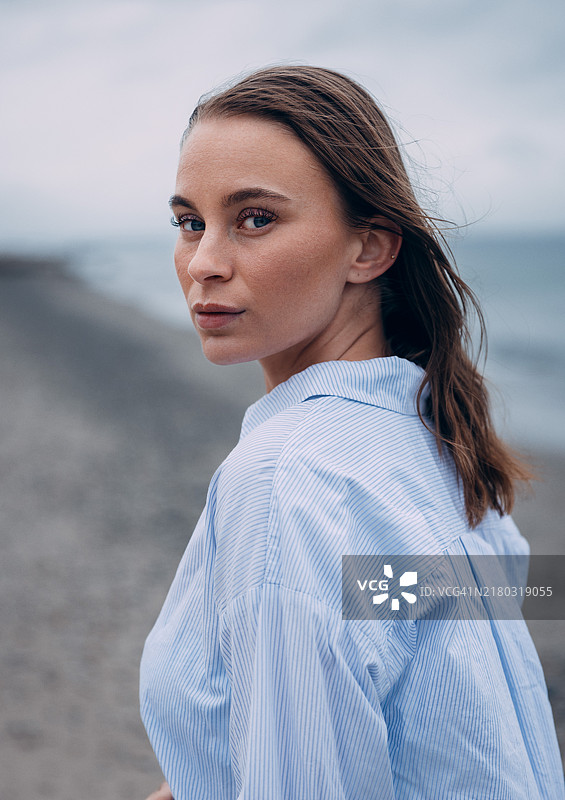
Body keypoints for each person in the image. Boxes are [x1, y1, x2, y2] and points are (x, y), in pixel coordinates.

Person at [139, 65, 564, 799]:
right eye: (189, 222)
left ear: (368, 248)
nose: (203, 263)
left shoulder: (287, 479)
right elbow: (502, 601)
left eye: (255, 218)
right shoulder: (429, 427)